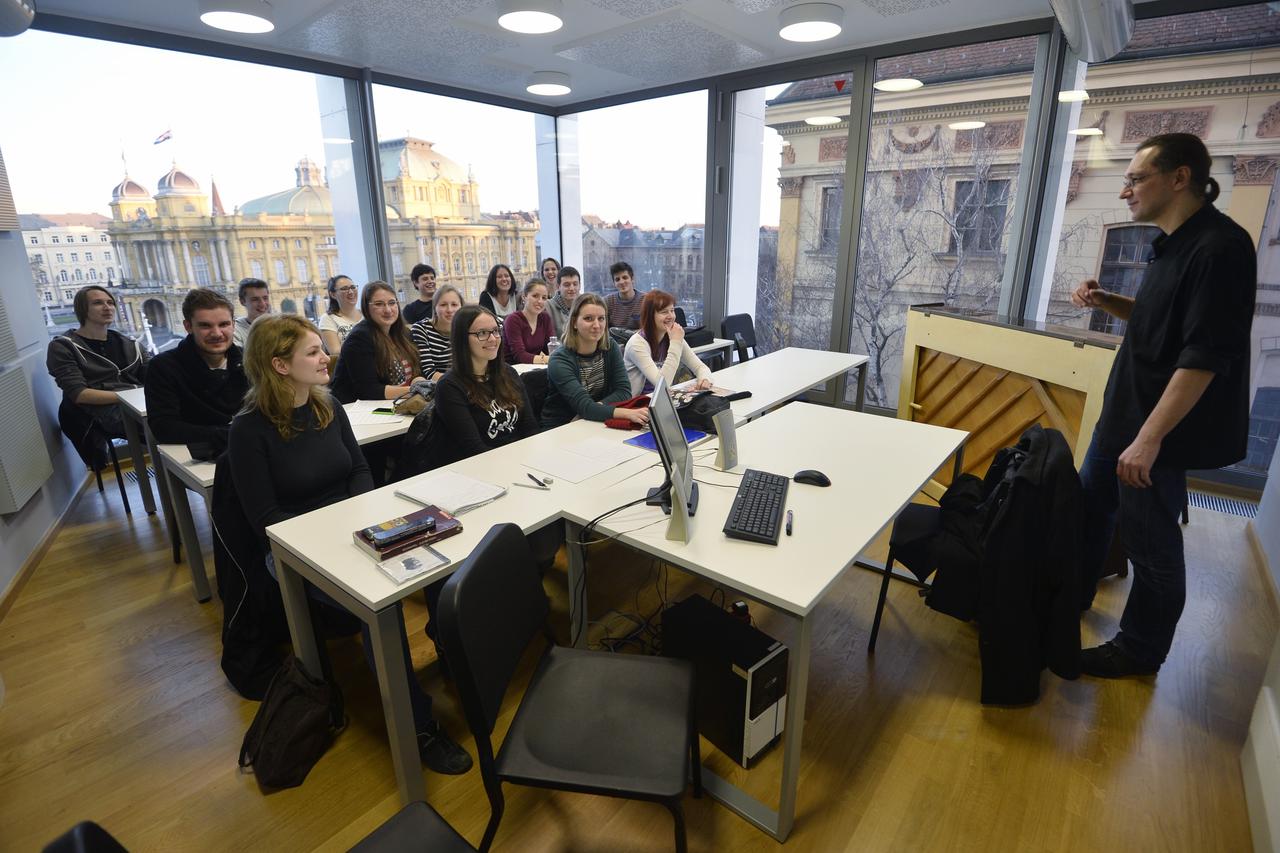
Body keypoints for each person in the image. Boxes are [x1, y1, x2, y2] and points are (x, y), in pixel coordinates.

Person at [228, 314, 472, 775]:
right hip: (296, 547)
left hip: (355, 526)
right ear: (280, 365)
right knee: (382, 606)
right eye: (314, 352)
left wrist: (360, 522)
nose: (327, 358)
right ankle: (418, 725)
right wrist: (339, 535)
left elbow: (360, 470)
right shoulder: (248, 430)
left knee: (444, 560)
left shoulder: (327, 407)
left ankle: (451, 654)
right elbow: (267, 519)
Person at [1071, 132, 1255, 679]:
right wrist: (1108, 301)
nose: (1125, 190)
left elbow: (1203, 356)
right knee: (1089, 511)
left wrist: (1149, 440)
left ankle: (1139, 650)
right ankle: (1067, 599)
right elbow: (1163, 323)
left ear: (1180, 178)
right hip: (1122, 416)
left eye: (1135, 178)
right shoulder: (1171, 242)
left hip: (1154, 430)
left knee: (1151, 545)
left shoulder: (1220, 248)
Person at [144, 287, 248, 454]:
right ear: (188, 326)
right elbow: (164, 427)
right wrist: (229, 434)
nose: (217, 333)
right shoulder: (164, 367)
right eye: (205, 326)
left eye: (224, 324)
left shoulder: (249, 361)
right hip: (200, 455)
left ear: (233, 325)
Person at [433, 305, 538, 467]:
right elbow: (474, 449)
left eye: (496, 331)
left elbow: (530, 428)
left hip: (521, 461)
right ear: (462, 338)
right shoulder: (450, 386)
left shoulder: (508, 373)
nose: (493, 338)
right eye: (482, 333)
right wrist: (513, 465)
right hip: (481, 469)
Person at [47, 285, 148, 438]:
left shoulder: (130, 344)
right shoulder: (63, 347)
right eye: (98, 303)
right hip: (95, 413)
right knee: (162, 424)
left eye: (110, 302)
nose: (107, 307)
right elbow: (80, 394)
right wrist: (134, 394)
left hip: (137, 403)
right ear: (82, 309)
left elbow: (153, 374)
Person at [541, 293, 649, 429]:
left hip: (594, 420)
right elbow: (584, 406)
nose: (597, 325)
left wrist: (595, 408)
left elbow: (624, 391)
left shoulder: (610, 346)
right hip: (561, 428)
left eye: (601, 318)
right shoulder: (559, 360)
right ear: (574, 322)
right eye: (588, 319)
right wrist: (626, 413)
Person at [329, 281, 421, 403]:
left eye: (392, 303)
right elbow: (368, 390)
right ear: (366, 308)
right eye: (379, 304)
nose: (388, 310)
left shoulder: (404, 333)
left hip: (399, 402)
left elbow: (417, 372)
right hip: (361, 410)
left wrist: (421, 384)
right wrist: (414, 391)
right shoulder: (359, 339)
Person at [623, 289, 713, 396]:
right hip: (638, 404)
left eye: (672, 310)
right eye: (664, 312)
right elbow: (662, 384)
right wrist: (675, 343)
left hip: (662, 398)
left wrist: (705, 379)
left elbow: (700, 367)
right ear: (651, 316)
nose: (671, 316)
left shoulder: (672, 336)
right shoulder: (637, 344)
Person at [411, 284, 463, 381]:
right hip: (438, 387)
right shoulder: (421, 329)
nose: (449, 310)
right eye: (443, 305)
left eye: (454, 305)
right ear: (435, 307)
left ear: (461, 307)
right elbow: (428, 372)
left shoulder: (466, 329)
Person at [503, 278, 553, 365]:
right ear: (524, 296)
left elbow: (550, 348)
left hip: (534, 369)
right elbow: (520, 356)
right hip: (513, 370)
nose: (540, 301)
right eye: (535, 296)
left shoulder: (545, 318)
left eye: (544, 298)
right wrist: (549, 359)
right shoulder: (512, 320)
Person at [318, 274, 362, 358]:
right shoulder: (328, 319)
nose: (351, 292)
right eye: (344, 289)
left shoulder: (366, 315)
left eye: (353, 287)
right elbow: (336, 352)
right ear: (333, 294)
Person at [232, 277, 272, 349]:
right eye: (255, 299)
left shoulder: (281, 325)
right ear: (242, 301)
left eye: (265, 298)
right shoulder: (235, 330)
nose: (262, 304)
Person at [605, 261, 642, 330]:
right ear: (614, 283)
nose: (621, 282)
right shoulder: (607, 302)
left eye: (625, 277)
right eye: (617, 279)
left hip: (639, 340)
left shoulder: (646, 300)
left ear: (632, 279)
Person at [546, 265, 580, 338]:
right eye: (567, 285)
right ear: (558, 287)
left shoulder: (585, 305)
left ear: (579, 285)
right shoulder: (548, 307)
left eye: (575, 284)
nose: (571, 288)